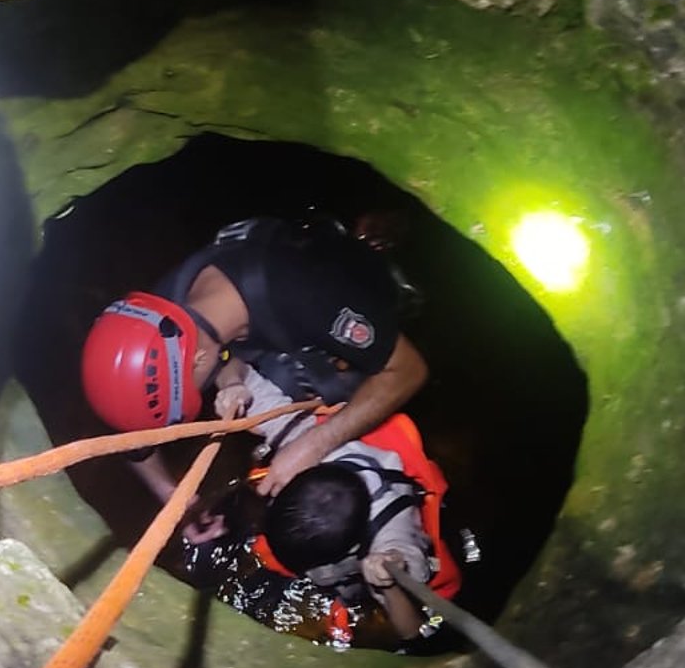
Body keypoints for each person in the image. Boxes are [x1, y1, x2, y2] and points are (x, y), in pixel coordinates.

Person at [80, 214, 427, 505]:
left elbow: (409, 370)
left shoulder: (306, 297)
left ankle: (377, 244)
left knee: (320, 386)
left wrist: (313, 444)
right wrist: (173, 495)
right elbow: (134, 433)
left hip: (335, 293)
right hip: (267, 310)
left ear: (200, 359)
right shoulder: (159, 320)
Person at [180, 368, 479, 648]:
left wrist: (387, 583)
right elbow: (233, 364)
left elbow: (412, 630)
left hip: (381, 543)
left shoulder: (395, 537)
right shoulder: (303, 449)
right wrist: (232, 384)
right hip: (341, 491)